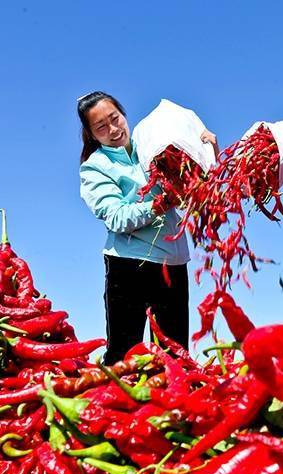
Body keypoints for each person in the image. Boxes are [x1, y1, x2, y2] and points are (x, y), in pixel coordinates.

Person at [77, 91, 216, 363]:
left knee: (175, 357)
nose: (113, 130)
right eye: (101, 127)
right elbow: (116, 218)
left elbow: (194, 187)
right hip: (129, 267)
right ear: (92, 135)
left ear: (123, 115)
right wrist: (162, 204)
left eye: (114, 119)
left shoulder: (151, 145)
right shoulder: (95, 167)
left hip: (173, 263)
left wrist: (205, 151)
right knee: (124, 356)